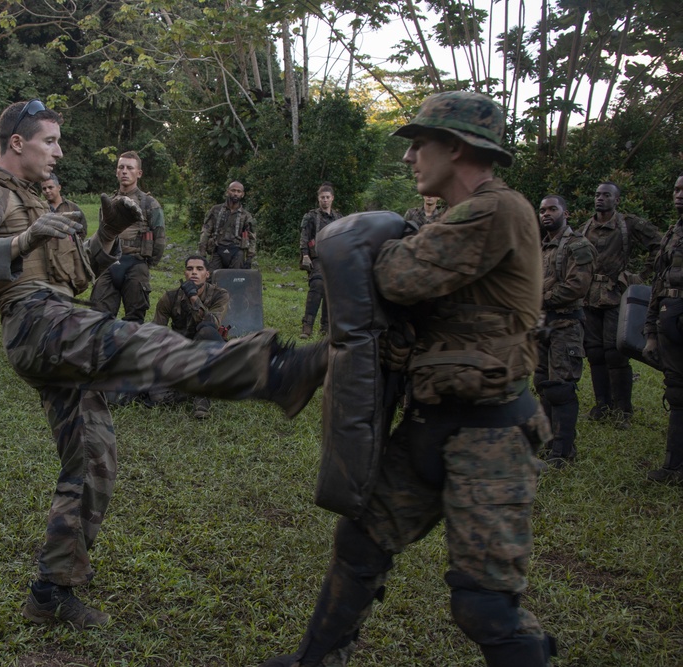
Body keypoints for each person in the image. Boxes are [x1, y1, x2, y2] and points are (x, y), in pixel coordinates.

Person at [0, 99, 328, 631]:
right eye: (49, 141)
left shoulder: (35, 200)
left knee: (94, 462)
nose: (58, 152)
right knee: (146, 342)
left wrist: (105, 234)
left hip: (53, 315)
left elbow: (75, 276)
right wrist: (27, 237)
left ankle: (51, 592)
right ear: (17, 142)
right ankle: (275, 372)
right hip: (35, 321)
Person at [261, 91, 555, 667]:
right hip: (429, 424)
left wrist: (379, 248)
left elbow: (395, 277)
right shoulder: (453, 218)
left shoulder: (500, 211)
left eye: (420, 144)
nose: (409, 157)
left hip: (489, 437)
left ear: (457, 147)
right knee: (359, 546)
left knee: (485, 606)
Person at [578, 181, 661, 428]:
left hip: (616, 295)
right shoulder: (585, 229)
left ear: (617, 200)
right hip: (589, 297)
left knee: (615, 353)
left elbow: (659, 245)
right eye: (597, 194)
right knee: (594, 353)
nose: (600, 198)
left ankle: (623, 410)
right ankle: (601, 405)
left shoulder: (628, 224)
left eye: (606, 195)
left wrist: (640, 276)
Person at [535, 195, 596, 468]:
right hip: (541, 326)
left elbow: (576, 286)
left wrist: (540, 299)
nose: (546, 214)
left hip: (566, 324)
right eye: (542, 210)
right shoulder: (540, 247)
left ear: (566, 213)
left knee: (561, 388)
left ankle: (563, 451)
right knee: (543, 385)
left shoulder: (578, 245)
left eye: (552, 209)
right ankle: (549, 445)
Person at [150, 254, 230, 418]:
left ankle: (203, 398)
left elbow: (212, 323)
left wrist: (193, 297)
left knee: (206, 329)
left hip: (209, 352)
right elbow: (156, 332)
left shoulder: (219, 295)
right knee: (157, 397)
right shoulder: (170, 298)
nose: (194, 272)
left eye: (199, 269)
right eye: (189, 269)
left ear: (207, 274)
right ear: (185, 273)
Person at [89, 151, 165, 322]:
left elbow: (160, 237)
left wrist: (148, 264)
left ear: (139, 173)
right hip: (109, 264)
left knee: (134, 319)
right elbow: (102, 235)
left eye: (130, 168)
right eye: (121, 167)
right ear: (116, 172)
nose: (124, 171)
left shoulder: (150, 204)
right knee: (98, 318)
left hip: (135, 264)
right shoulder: (108, 203)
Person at [641, 173, 683, 486]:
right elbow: (659, 284)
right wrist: (651, 331)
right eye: (676, 188)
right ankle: (673, 467)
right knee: (677, 393)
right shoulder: (672, 232)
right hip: (670, 319)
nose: (679, 194)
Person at [299, 183, 342, 339]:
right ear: (318, 199)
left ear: (332, 198)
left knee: (331, 291)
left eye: (327, 197)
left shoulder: (338, 217)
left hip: (334, 259)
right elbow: (304, 236)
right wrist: (304, 255)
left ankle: (326, 327)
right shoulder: (311, 216)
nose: (325, 200)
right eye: (322, 197)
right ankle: (307, 326)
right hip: (316, 257)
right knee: (317, 285)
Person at [198, 181, 256, 271]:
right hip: (218, 249)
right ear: (227, 192)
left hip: (237, 251)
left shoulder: (246, 215)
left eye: (238, 191)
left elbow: (251, 237)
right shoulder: (215, 210)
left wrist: (249, 258)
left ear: (242, 194)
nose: (235, 193)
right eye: (233, 190)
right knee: (211, 278)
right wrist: (202, 253)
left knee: (236, 280)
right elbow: (206, 231)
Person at [42, 174, 86, 239]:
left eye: (50, 187)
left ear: (59, 188)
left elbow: (82, 231)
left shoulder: (73, 207)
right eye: (44, 189)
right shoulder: (40, 208)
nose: (47, 191)